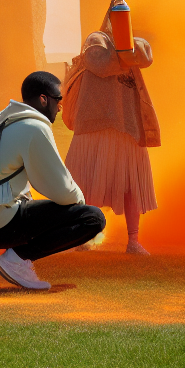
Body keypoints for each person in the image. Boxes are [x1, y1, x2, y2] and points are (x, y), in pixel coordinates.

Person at [0, 71, 105, 291]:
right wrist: (79, 207)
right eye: (58, 100)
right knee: (92, 218)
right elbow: (62, 191)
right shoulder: (35, 126)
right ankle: (17, 260)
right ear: (44, 99)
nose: (60, 107)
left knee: (23, 203)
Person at [62, 17, 159, 255]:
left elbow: (145, 56)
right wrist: (125, 54)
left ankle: (133, 242)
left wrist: (129, 47)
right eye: (118, 18)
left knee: (130, 186)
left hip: (127, 127)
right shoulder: (96, 41)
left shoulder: (133, 47)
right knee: (86, 184)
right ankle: (85, 237)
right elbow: (100, 63)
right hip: (94, 126)